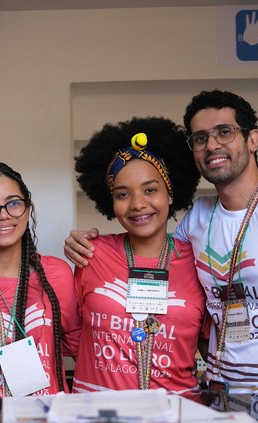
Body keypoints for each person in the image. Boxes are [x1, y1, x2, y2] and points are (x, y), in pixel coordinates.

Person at [66, 90, 258, 392]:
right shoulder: (196, 221)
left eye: (225, 132)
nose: (212, 145)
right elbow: (155, 253)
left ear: (253, 140)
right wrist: (84, 242)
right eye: (200, 138)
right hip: (224, 395)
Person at [71, 116, 206, 394]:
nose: (138, 204)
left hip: (179, 418)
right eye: (122, 194)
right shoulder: (90, 254)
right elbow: (70, 337)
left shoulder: (197, 261)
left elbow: (210, 345)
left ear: (170, 193)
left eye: (150, 190)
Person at [0, 162, 81, 400]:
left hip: (48, 422)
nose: (4, 215)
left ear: (27, 209)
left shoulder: (56, 274)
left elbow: (83, 350)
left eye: (14, 203)